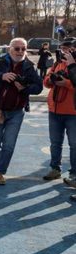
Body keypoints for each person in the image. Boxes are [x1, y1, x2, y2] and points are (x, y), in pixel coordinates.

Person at [0, 38, 43, 185]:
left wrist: (25, 88)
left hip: (16, 113)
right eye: (17, 48)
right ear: (9, 49)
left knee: (8, 145)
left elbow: (39, 87)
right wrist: (2, 76)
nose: (20, 52)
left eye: (23, 49)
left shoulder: (29, 67)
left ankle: (0, 171)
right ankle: (1, 163)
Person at [42, 40, 76, 185]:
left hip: (72, 112)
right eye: (63, 49)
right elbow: (45, 82)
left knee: (74, 144)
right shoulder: (57, 64)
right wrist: (51, 80)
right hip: (54, 110)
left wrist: (66, 83)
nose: (64, 52)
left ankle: (74, 173)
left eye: (68, 49)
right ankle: (55, 168)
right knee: (55, 143)